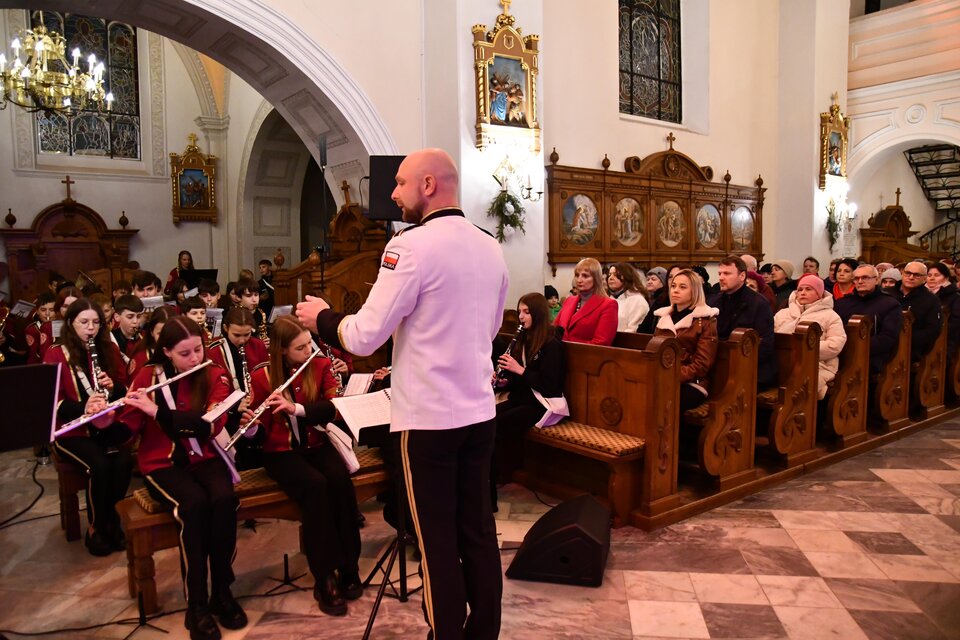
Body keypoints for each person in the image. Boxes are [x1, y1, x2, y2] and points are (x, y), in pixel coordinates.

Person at [296, 147, 508, 640]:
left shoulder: (409, 247)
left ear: (428, 185)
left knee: (436, 539)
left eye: (399, 182)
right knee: (478, 531)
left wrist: (322, 317)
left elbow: (364, 336)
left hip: (429, 421)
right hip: (479, 413)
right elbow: (493, 327)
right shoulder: (489, 245)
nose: (392, 193)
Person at [119, 317, 245, 640]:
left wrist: (156, 412)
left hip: (205, 457)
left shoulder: (215, 374)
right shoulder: (147, 376)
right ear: (166, 352)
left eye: (198, 350)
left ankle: (222, 590)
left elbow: (208, 426)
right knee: (194, 505)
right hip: (161, 463)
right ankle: (197, 605)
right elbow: (125, 430)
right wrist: (101, 419)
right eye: (185, 353)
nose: (195, 358)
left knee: (224, 499)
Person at [247, 316, 363, 615]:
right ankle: (324, 576)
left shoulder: (320, 365)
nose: (309, 350)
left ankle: (349, 567)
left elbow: (335, 409)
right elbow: (259, 433)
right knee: (316, 487)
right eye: (300, 348)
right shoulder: (261, 376)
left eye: (309, 343)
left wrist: (297, 409)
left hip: (318, 443)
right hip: (281, 453)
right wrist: (249, 426)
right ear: (282, 351)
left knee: (340, 481)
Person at [44, 298, 131, 556]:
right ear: (71, 323)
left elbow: (125, 389)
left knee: (123, 462)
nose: (90, 328)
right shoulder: (55, 353)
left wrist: (113, 387)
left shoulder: (109, 350)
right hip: (70, 429)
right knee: (99, 465)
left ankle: (113, 520)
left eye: (96, 322)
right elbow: (50, 400)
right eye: (84, 322)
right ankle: (97, 527)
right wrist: (84, 406)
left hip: (104, 424)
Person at [492, 293, 565, 508]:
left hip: (542, 404)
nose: (521, 317)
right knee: (488, 418)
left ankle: (495, 478)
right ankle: (495, 476)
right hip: (523, 398)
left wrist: (519, 370)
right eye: (519, 312)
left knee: (495, 424)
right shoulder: (523, 339)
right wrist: (503, 381)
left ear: (538, 314)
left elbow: (550, 385)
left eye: (526, 312)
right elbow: (518, 381)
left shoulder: (552, 344)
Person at [207, 307, 268, 470]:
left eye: (246, 334)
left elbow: (265, 377)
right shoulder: (214, 350)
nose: (242, 340)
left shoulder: (257, 345)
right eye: (236, 335)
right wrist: (234, 405)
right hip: (229, 410)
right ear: (225, 328)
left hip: (256, 405)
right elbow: (213, 389)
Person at [653, 269, 718, 412]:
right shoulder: (664, 316)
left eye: (682, 287)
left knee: (665, 400)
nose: (675, 290)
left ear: (694, 291)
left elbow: (702, 364)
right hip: (664, 376)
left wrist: (673, 375)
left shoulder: (705, 320)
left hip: (693, 382)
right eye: (673, 286)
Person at [774, 274, 847, 399]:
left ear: (819, 294)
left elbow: (835, 344)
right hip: (782, 362)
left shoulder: (831, 316)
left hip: (819, 364)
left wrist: (805, 349)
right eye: (800, 289)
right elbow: (773, 336)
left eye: (808, 289)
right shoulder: (783, 313)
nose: (803, 293)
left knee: (802, 382)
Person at [710, 256, 777, 389]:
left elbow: (765, 344)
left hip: (752, 369)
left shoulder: (759, 304)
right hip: (720, 365)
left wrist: (736, 362)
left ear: (742, 276)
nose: (721, 278)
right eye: (720, 274)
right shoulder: (713, 302)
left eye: (727, 273)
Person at [835, 264, 903, 374]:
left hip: (872, 357)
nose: (860, 281)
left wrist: (857, 348)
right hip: (841, 354)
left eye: (865, 277)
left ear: (876, 280)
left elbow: (887, 337)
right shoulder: (842, 303)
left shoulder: (890, 304)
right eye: (856, 278)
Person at [554, 257, 618, 345]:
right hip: (559, 351)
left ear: (596, 278)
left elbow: (601, 343)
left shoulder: (608, 305)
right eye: (577, 275)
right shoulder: (569, 300)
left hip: (586, 353)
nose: (579, 280)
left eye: (585, 276)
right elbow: (554, 329)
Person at [894, 261, 942, 363]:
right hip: (885, 346)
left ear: (924, 279)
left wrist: (905, 340)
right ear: (902, 274)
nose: (911, 277)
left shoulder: (931, 300)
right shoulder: (887, 293)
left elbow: (932, 330)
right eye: (908, 273)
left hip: (912, 350)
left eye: (916, 275)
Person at [129, 306, 177, 379]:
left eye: (171, 332)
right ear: (152, 332)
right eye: (160, 334)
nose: (166, 338)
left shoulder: (186, 351)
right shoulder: (141, 357)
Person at [926, 262, 960, 355]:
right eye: (929, 275)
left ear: (946, 278)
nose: (932, 278)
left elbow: (955, 323)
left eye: (937, 275)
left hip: (945, 342)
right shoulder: (921, 294)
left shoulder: (955, 297)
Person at [606, 262, 650, 332]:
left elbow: (633, 331)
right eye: (609, 274)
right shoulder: (607, 299)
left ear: (627, 276)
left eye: (615, 274)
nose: (610, 278)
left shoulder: (638, 301)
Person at [111, 294, 144, 365]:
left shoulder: (145, 337)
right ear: (117, 317)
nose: (135, 321)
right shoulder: (110, 339)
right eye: (130, 317)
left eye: (138, 316)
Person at [25, 292, 56, 364]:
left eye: (51, 310)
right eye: (43, 310)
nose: (47, 313)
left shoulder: (61, 325)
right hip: (38, 365)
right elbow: (36, 354)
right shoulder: (31, 329)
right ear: (37, 311)